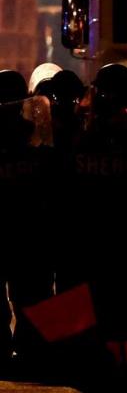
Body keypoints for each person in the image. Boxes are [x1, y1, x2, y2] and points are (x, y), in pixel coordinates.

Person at [0, 70, 52, 371]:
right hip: (27, 225)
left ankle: (15, 347)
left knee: (29, 291)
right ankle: (32, 347)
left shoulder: (33, 131)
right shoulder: (33, 132)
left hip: (21, 223)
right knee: (30, 292)